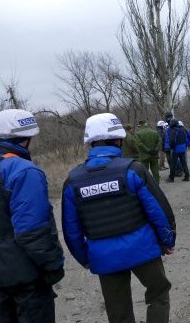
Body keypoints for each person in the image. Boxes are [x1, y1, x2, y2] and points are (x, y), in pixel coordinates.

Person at [61, 113, 176, 323]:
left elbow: (71, 229)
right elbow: (158, 209)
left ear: (90, 143)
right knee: (158, 293)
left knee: (118, 311)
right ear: (118, 140)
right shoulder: (132, 169)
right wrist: (167, 240)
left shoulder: (72, 181)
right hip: (143, 249)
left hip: (104, 257)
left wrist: (84, 258)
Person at [0, 109, 64, 323]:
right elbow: (32, 231)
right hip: (29, 280)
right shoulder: (23, 171)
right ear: (27, 139)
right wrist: (53, 264)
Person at [134, 119, 162, 184]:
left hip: (144, 156)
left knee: (145, 172)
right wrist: (156, 150)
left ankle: (148, 186)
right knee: (155, 172)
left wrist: (148, 151)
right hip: (154, 155)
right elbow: (159, 141)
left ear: (139, 125)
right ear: (146, 124)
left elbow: (139, 144)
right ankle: (157, 186)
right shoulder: (154, 132)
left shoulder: (138, 133)